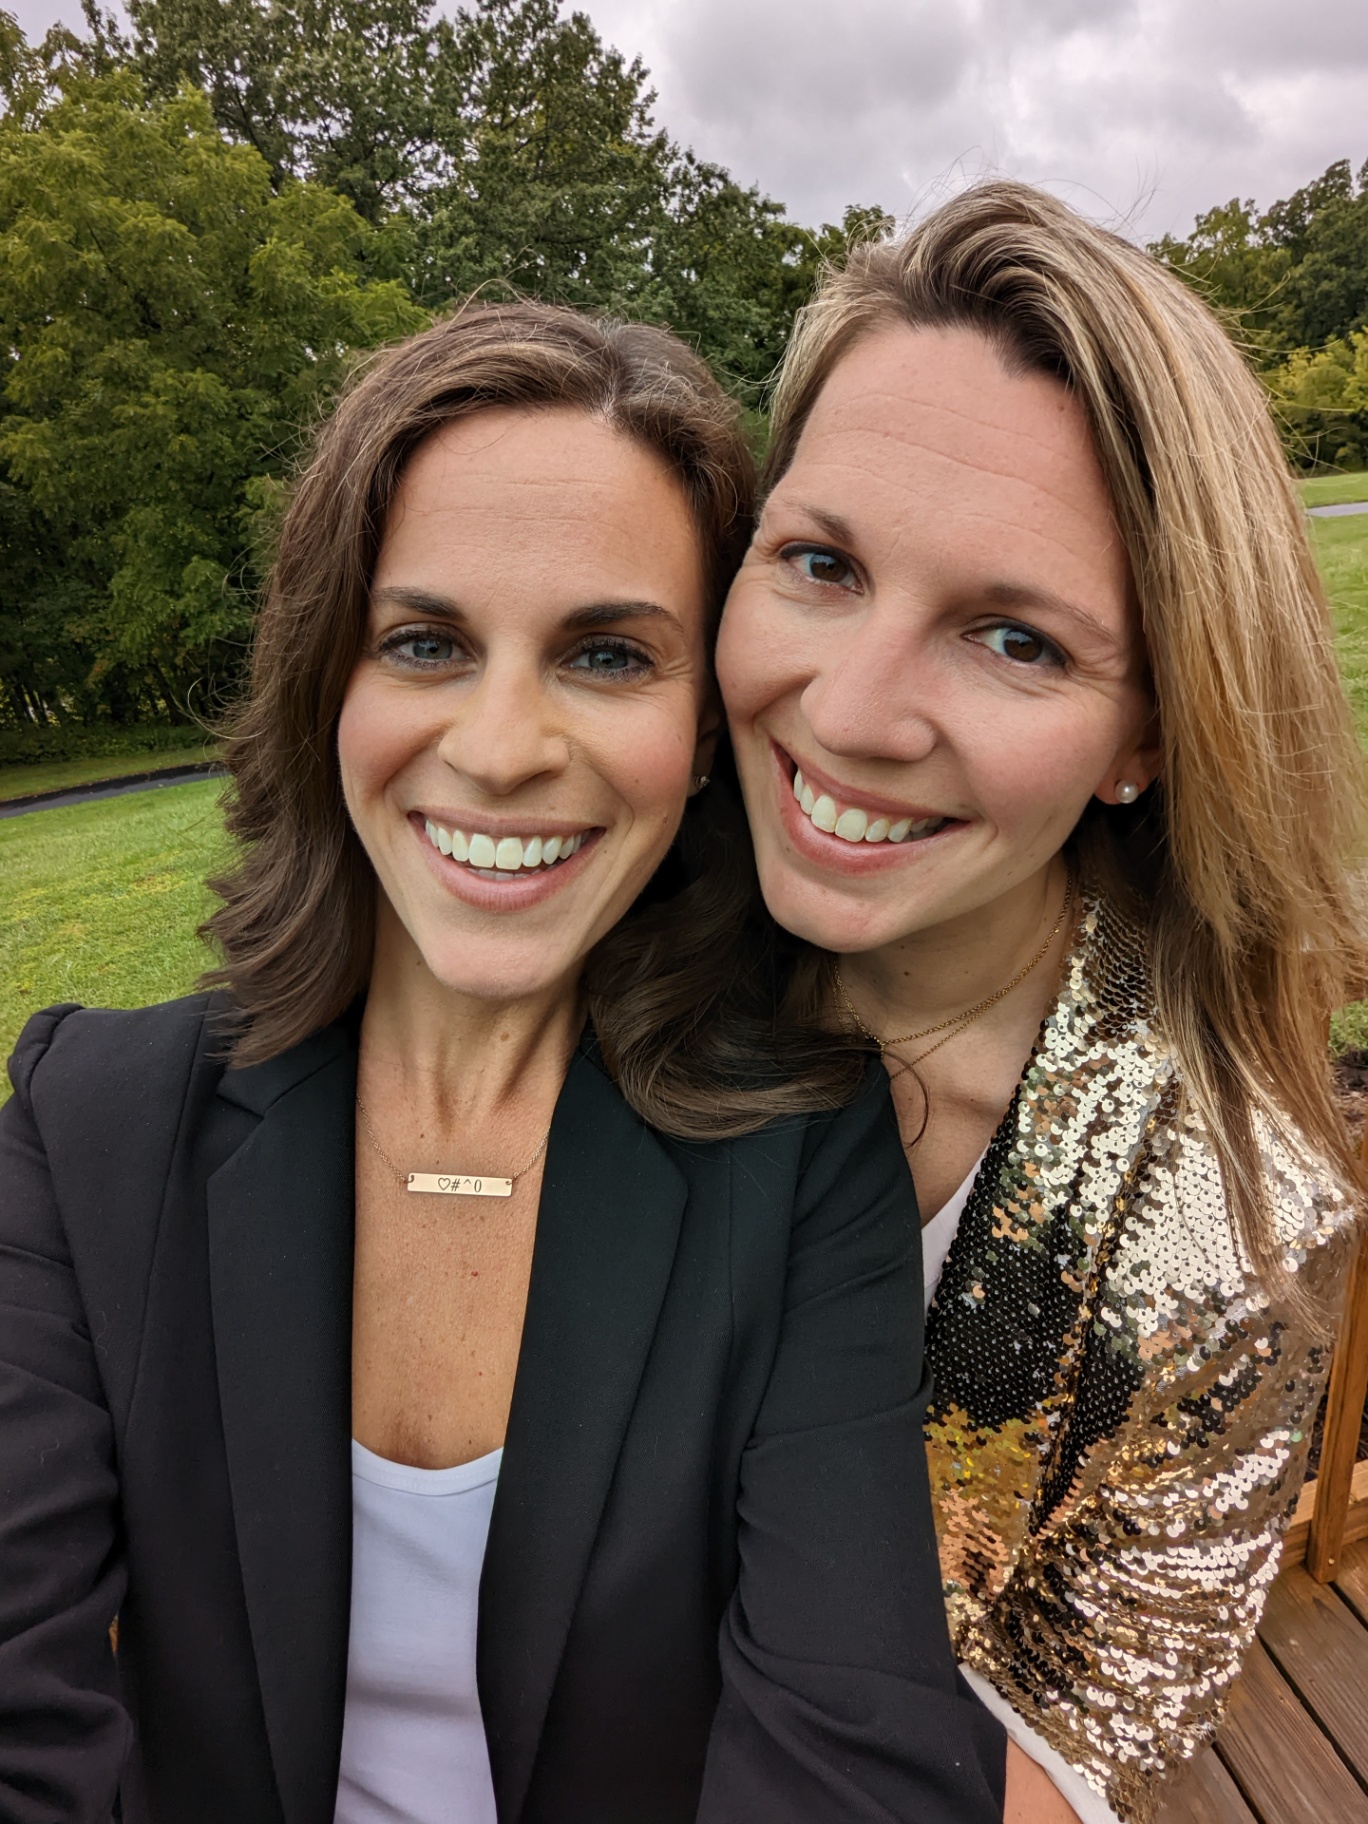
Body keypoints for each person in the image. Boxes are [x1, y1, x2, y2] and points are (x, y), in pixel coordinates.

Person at [0, 302, 1007, 1823]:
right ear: (324, 677)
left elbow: (849, 1756)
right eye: (426, 642)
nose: (504, 743)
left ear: (704, 716)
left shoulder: (800, 1159)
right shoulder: (86, 1128)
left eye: (606, 654)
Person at [717, 181, 1365, 1824]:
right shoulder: (599, 936)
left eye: (1014, 638)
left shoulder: (1232, 1232)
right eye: (819, 563)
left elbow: (1079, 1746)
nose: (851, 714)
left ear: (1152, 738)